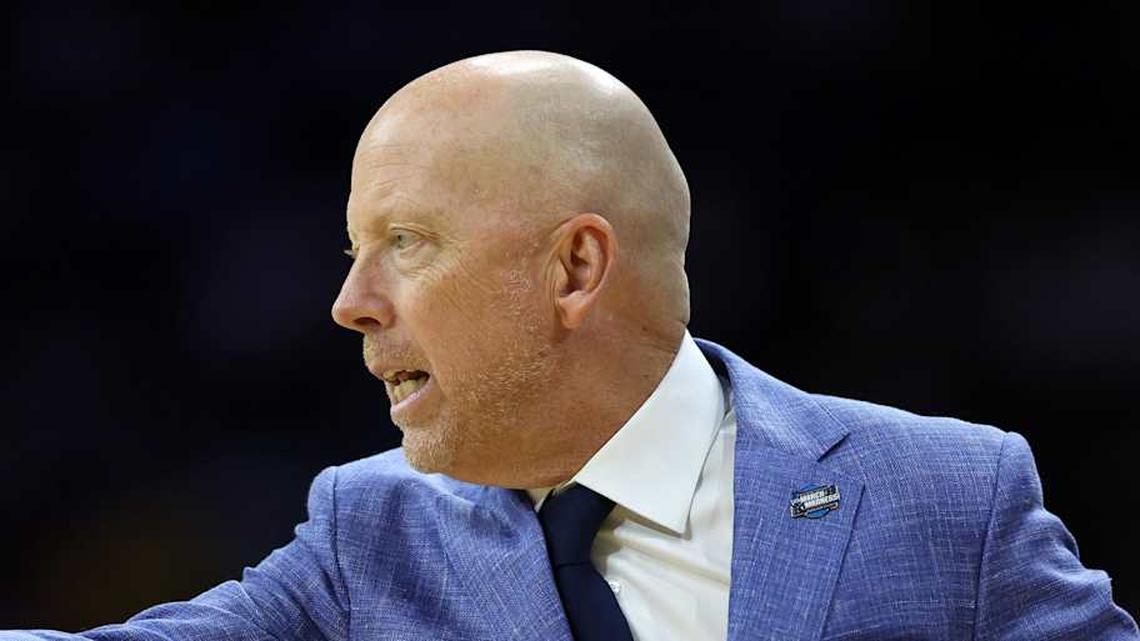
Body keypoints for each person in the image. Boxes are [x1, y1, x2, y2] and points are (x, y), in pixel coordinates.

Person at [4, 50, 1136, 641]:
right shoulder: (369, 533)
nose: (350, 302)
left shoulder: (948, 496)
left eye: (406, 242)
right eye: (355, 249)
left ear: (575, 268)